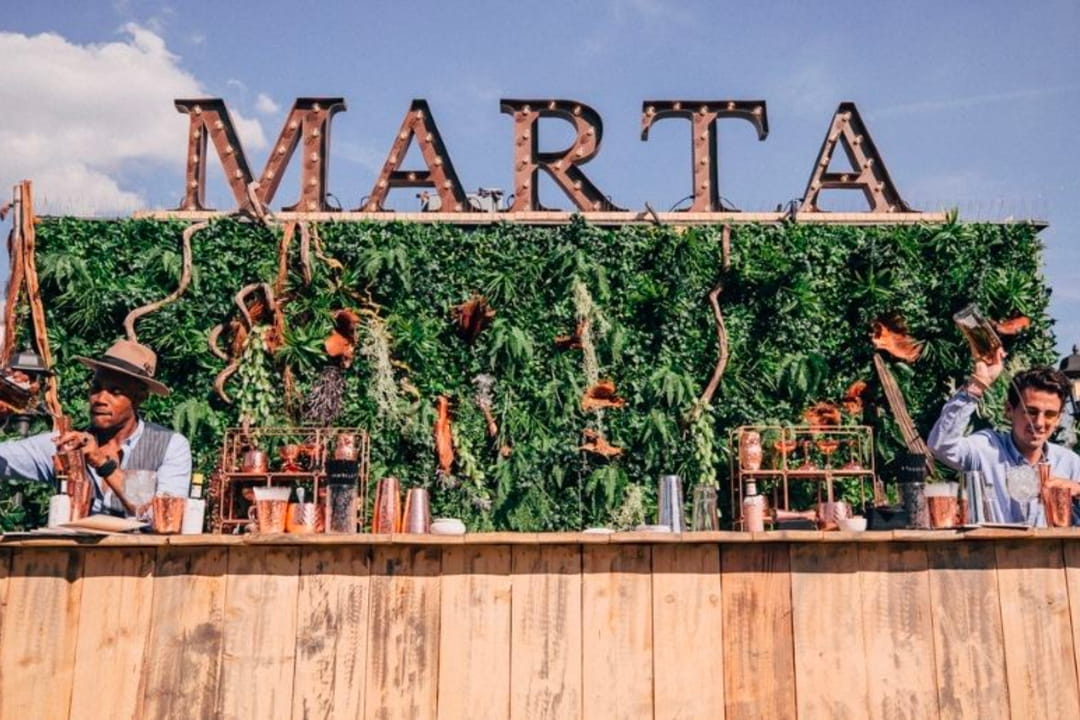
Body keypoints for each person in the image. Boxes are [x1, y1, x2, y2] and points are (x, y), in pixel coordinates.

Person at [0, 339, 191, 517]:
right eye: (96, 388)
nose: (100, 399)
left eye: (116, 392)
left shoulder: (170, 446)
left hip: (143, 553)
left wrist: (102, 463)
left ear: (140, 397)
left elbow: (165, 516)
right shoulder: (65, 444)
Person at [928, 348, 1080, 525]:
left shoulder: (1070, 463)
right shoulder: (987, 449)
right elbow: (941, 444)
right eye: (1030, 412)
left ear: (1059, 418)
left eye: (1049, 414)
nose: (1038, 423)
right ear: (1009, 410)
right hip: (993, 551)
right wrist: (978, 385)